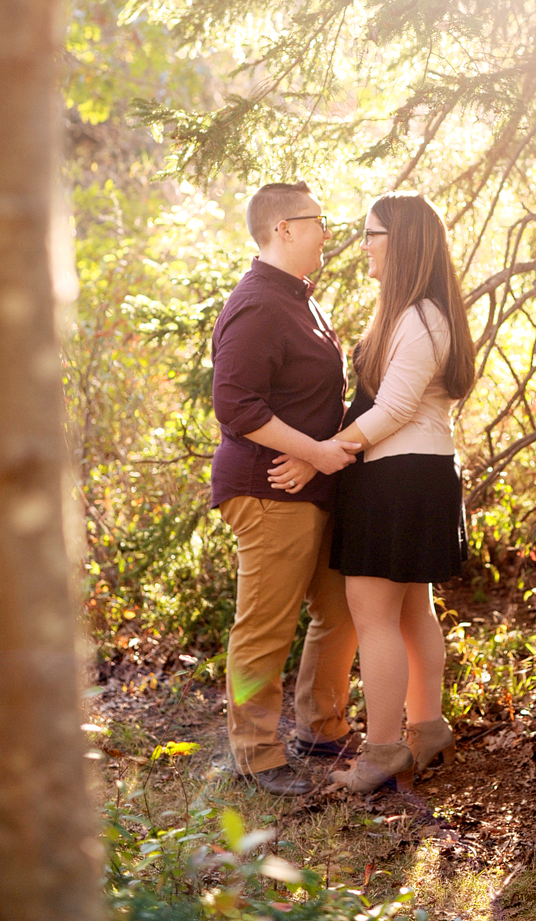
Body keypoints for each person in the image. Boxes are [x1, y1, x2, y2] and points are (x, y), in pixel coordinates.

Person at [268, 191, 475, 792]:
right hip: (418, 473)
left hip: (397, 478)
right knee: (413, 611)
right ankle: (427, 729)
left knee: (375, 615)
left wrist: (323, 456)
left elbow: (392, 408)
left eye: (371, 234)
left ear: (402, 242)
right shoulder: (420, 312)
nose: (361, 245)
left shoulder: (419, 317)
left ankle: (384, 750)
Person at [210, 180, 362, 795]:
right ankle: (255, 752)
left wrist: (320, 457)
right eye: (318, 221)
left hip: (309, 482)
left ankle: (323, 727)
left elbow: (310, 401)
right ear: (285, 229)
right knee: (264, 627)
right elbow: (235, 405)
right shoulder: (258, 303)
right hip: (266, 489)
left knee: (341, 610)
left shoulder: (301, 298)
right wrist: (314, 454)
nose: (328, 231)